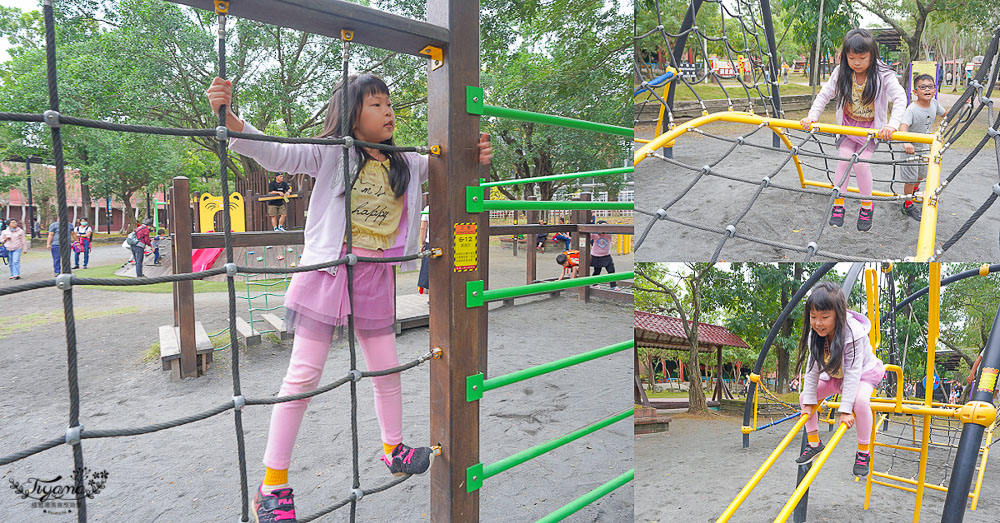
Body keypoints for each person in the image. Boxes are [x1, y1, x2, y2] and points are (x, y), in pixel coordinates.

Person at [208, 72, 492, 522]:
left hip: (375, 275)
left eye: (389, 103)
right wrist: (231, 119)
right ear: (352, 115)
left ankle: (393, 449)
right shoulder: (335, 154)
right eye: (376, 104)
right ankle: (272, 483)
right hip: (329, 271)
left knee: (386, 368)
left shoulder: (408, 162)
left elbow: (451, 169)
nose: (388, 111)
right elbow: (278, 151)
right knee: (302, 377)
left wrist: (475, 157)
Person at [800, 28, 906, 233]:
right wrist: (812, 116)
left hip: (869, 131)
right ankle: (838, 204)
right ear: (845, 57)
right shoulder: (841, 72)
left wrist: (892, 125)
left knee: (861, 165)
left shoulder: (883, 74)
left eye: (862, 58)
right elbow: (824, 95)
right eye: (851, 58)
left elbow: (900, 98)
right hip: (848, 127)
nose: (856, 62)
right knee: (843, 160)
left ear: (872, 55)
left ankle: (867, 206)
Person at [794, 281, 885, 477]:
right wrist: (810, 402)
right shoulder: (815, 335)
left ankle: (863, 451)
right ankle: (814, 443)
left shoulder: (853, 333)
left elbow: (853, 373)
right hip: (836, 374)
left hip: (862, 373)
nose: (818, 323)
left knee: (860, 402)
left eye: (825, 317)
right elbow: (812, 370)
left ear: (839, 315)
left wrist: (845, 410)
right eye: (813, 317)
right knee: (804, 398)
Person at [897, 74, 946, 222]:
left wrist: (963, 104)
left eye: (930, 87)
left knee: (921, 175)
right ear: (915, 91)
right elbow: (903, 127)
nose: (927, 90)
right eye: (922, 87)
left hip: (924, 147)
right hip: (910, 148)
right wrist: (906, 143)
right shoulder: (912, 109)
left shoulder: (934, 104)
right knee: (911, 179)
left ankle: (914, 192)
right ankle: (907, 204)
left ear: (935, 90)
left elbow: (946, 115)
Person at [589, 220, 617, 289]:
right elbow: (588, 236)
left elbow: (613, 229)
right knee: (597, 271)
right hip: (596, 255)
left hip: (606, 255)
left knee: (611, 271)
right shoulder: (595, 234)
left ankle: (613, 286)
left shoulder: (608, 234)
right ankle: (594, 284)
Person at [417, 203, 430, 294]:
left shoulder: (428, 208)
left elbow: (423, 228)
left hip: (430, 241)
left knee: (429, 269)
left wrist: (422, 243)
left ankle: (431, 297)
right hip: (446, 243)